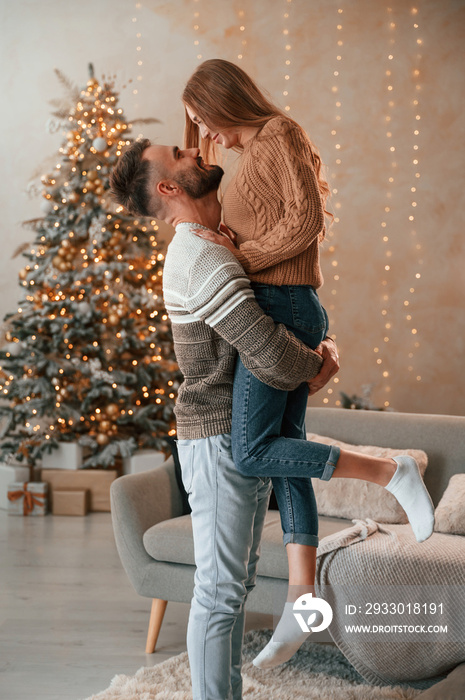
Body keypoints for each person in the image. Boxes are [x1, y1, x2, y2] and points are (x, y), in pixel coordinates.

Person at [182, 58, 435, 669]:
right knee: (284, 448)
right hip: (280, 306)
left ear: (223, 101)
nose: (203, 132)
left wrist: (238, 255)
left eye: (202, 117)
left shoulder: (279, 133)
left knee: (252, 450)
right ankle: (303, 599)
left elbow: (305, 224)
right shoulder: (249, 153)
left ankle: (388, 469)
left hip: (284, 309)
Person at [109, 139, 337, 700]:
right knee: (219, 591)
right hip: (217, 437)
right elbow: (269, 352)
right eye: (178, 154)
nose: (193, 148)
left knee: (230, 586)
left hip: (232, 432)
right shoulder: (200, 257)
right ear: (168, 187)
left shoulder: (219, 244)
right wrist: (323, 361)